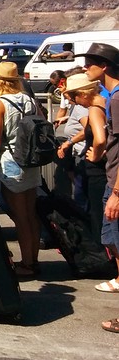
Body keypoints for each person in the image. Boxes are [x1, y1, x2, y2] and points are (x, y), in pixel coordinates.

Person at [75, 44, 119, 334]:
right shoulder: (111, 97)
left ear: (104, 66)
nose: (85, 68)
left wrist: (116, 192)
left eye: (90, 63)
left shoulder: (116, 98)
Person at [0, 61, 41, 277]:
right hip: (30, 160)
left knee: (20, 217)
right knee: (31, 214)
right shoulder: (29, 100)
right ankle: (33, 259)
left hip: (11, 161)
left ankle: (27, 263)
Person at [59, 74, 107, 242]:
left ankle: (101, 252)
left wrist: (96, 155)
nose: (75, 102)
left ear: (83, 94)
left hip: (97, 170)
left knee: (97, 215)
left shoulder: (94, 109)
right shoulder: (107, 102)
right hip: (106, 167)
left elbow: (100, 139)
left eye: (74, 97)